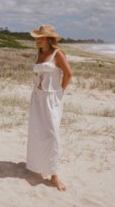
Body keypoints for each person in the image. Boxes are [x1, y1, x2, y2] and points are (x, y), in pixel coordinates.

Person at [26, 25, 73, 191]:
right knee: (37, 132)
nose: (38, 41)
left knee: (53, 134)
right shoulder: (39, 54)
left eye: (41, 38)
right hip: (37, 97)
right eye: (37, 38)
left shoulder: (57, 53)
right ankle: (38, 165)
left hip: (51, 97)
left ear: (49, 38)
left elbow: (69, 74)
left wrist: (59, 92)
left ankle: (54, 176)